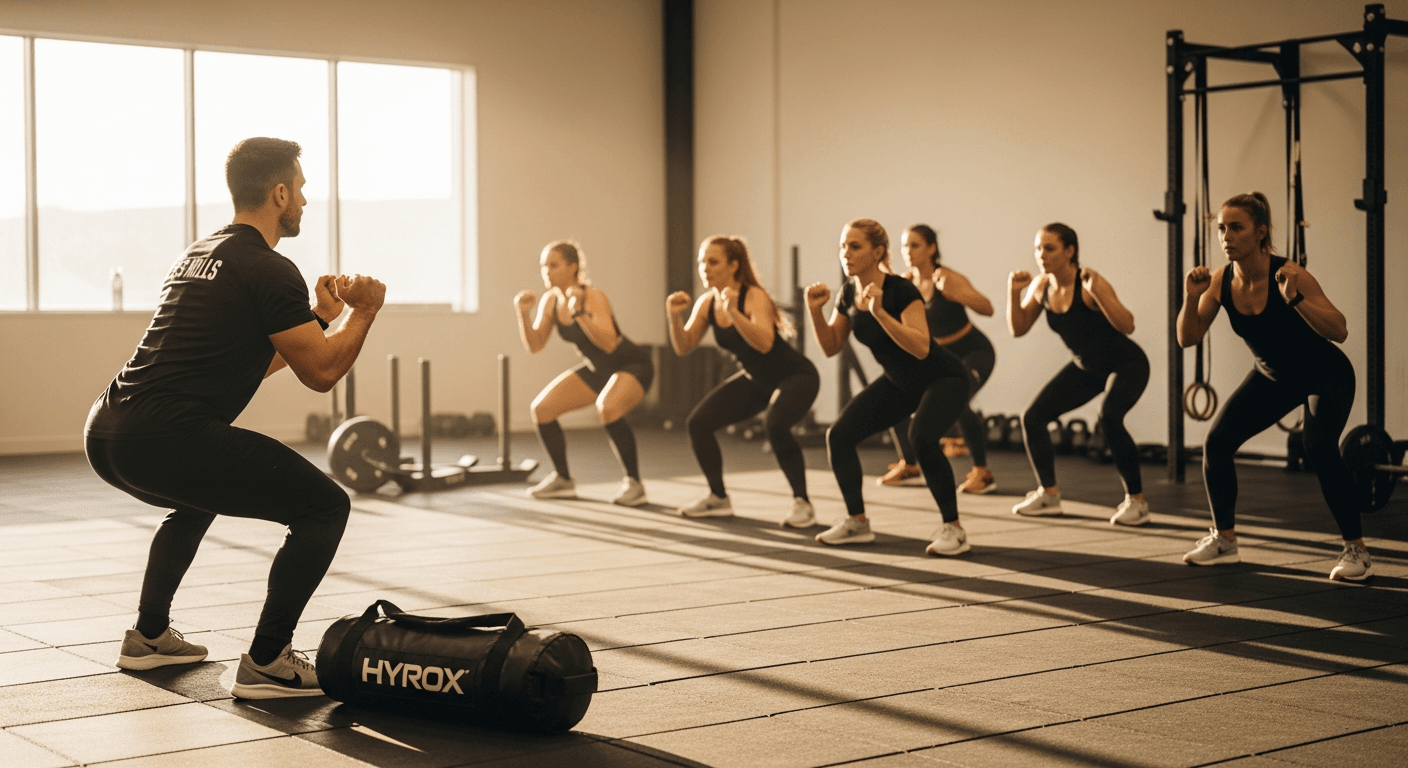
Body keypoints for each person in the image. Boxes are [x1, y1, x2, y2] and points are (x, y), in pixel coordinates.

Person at [84, 137, 384, 699]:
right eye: (300, 189)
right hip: (164, 434)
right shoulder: (271, 267)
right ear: (279, 194)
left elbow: (253, 360)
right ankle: (269, 661)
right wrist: (363, 312)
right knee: (325, 506)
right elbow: (321, 373)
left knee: (197, 496)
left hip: (107, 430)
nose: (305, 200)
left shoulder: (200, 253)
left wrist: (321, 319)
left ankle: (148, 637)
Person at [1177, 192, 1369, 581]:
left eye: (1236, 228)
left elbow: (1340, 330)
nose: (1226, 237)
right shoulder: (1221, 280)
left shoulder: (1291, 274)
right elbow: (1188, 338)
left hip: (1324, 375)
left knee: (1319, 448)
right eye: (1222, 229)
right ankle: (1225, 541)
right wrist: (1190, 297)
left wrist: (1295, 300)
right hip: (1273, 377)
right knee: (1217, 443)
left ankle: (1357, 550)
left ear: (1261, 232)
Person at [806, 219, 973, 555]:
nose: (846, 254)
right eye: (843, 246)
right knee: (839, 436)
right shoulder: (848, 293)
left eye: (855, 246)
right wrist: (814, 312)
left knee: (921, 437)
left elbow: (921, 347)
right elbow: (831, 346)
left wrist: (881, 313)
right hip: (901, 381)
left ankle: (954, 530)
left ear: (877, 252)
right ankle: (857, 523)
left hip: (943, 377)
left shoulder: (901, 291)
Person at [666, 235, 821, 526]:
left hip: (796, 376)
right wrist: (674, 316)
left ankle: (803, 504)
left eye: (713, 262)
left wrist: (735, 313)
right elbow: (684, 346)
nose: (704, 268)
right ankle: (718, 498)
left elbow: (764, 343)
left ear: (734, 265)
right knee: (698, 423)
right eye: (702, 262)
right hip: (757, 380)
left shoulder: (754, 296)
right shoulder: (707, 303)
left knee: (775, 425)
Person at [1007, 223, 1150, 525]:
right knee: (1032, 417)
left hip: (1126, 364)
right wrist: (1013, 292)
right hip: (1087, 367)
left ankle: (1136, 502)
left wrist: (1099, 295)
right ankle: (1049, 496)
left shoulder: (1089, 283)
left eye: (1049, 248)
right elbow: (1018, 329)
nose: (1041, 255)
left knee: (1109, 417)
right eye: (1038, 248)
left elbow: (1128, 325)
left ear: (1070, 251)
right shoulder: (1042, 286)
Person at [514, 240, 654, 506]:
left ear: (573, 267)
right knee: (542, 409)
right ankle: (563, 480)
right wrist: (523, 314)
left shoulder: (593, 296)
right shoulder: (551, 301)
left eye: (553, 265)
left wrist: (578, 312)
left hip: (631, 365)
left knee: (608, 408)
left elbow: (610, 344)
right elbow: (535, 345)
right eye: (544, 266)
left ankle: (635, 484)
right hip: (598, 370)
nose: (546, 271)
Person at [881, 224, 999, 495]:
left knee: (957, 398)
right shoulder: (905, 283)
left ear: (932, 248)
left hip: (973, 352)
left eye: (915, 245)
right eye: (904, 246)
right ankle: (910, 466)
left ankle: (983, 473)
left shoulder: (947, 278)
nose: (907, 251)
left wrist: (959, 295)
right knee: (895, 394)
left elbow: (988, 308)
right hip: (939, 358)